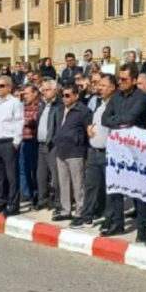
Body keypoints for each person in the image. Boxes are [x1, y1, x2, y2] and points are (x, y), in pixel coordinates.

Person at [100, 64, 146, 238]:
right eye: (119, 79)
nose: (120, 82)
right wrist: (121, 123)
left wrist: (118, 121)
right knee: (116, 187)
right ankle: (118, 224)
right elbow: (105, 119)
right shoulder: (116, 97)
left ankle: (142, 228)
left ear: (134, 80)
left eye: (124, 79)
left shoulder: (141, 97)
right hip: (117, 149)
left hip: (136, 150)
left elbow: (132, 118)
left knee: (138, 190)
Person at [71, 74, 116, 229]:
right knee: (91, 186)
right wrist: (89, 128)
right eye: (99, 85)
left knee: (109, 189)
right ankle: (87, 216)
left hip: (108, 152)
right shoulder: (99, 104)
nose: (99, 88)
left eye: (103, 85)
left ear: (112, 87)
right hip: (94, 151)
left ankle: (109, 219)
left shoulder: (116, 106)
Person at [0, 76, 24, 217]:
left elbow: (19, 121)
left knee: (11, 175)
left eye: (2, 86)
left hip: (9, 142)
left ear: (9, 87)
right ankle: (0, 202)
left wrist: (16, 141)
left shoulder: (15, 102)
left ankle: (13, 205)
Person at [52, 85, 92, 221]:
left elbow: (89, 130)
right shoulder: (60, 110)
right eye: (63, 95)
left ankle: (80, 210)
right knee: (63, 183)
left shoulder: (83, 111)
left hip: (76, 152)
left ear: (76, 96)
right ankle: (65, 210)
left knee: (78, 183)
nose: (64, 98)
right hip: (61, 150)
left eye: (68, 95)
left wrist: (80, 142)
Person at [36, 79, 62, 211]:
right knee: (41, 174)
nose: (44, 92)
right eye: (43, 90)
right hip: (41, 145)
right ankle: (43, 199)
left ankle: (58, 201)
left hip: (52, 145)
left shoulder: (58, 106)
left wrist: (53, 141)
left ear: (55, 90)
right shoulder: (43, 105)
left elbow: (57, 126)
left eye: (46, 90)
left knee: (56, 176)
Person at [20, 84, 41, 207]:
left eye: (27, 93)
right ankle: (27, 194)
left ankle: (36, 194)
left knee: (33, 170)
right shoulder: (22, 106)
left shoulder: (40, 106)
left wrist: (23, 121)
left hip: (33, 140)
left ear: (35, 93)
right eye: (24, 94)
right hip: (22, 140)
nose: (25, 96)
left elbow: (33, 122)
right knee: (23, 169)